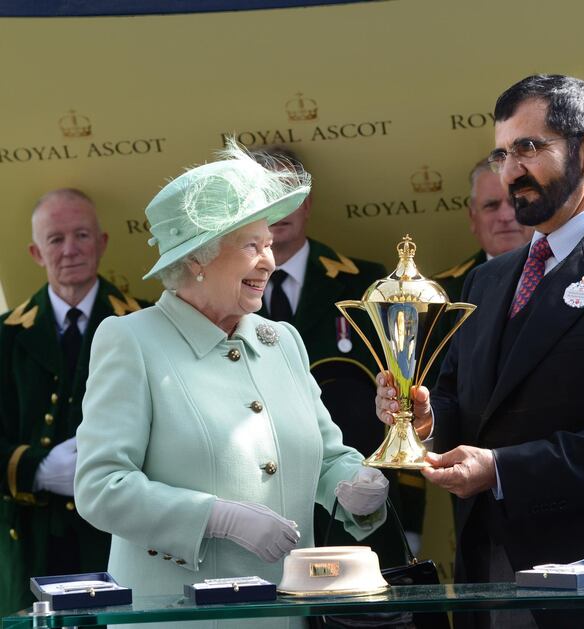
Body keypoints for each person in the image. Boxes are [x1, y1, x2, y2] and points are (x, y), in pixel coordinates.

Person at [376, 74, 584, 629]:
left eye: (530, 148)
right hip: (489, 582)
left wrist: (502, 469)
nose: (510, 171)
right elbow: (465, 401)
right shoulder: (487, 281)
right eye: (502, 153)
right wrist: (427, 422)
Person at [74, 142, 389, 629]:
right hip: (181, 620)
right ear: (198, 258)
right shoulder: (130, 340)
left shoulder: (283, 340)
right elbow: (101, 487)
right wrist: (215, 518)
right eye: (252, 247)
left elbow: (327, 456)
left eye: (269, 245)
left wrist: (354, 487)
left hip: (289, 616)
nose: (270, 262)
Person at [252, 145, 426, 562]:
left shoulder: (368, 287)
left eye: (290, 191)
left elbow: (403, 403)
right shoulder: (222, 297)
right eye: (264, 194)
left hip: (356, 508)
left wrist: (412, 518)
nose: (280, 205)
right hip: (258, 508)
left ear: (308, 203)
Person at [0, 188, 148, 615]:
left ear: (102, 243)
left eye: (82, 235)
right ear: (35, 251)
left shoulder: (144, 323)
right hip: (31, 544)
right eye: (55, 239)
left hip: (116, 542)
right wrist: (36, 469)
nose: (70, 250)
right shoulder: (7, 335)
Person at [433, 158, 534, 303]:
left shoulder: (570, 276)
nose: (505, 216)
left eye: (516, 203)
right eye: (491, 205)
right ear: (473, 218)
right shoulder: (441, 293)